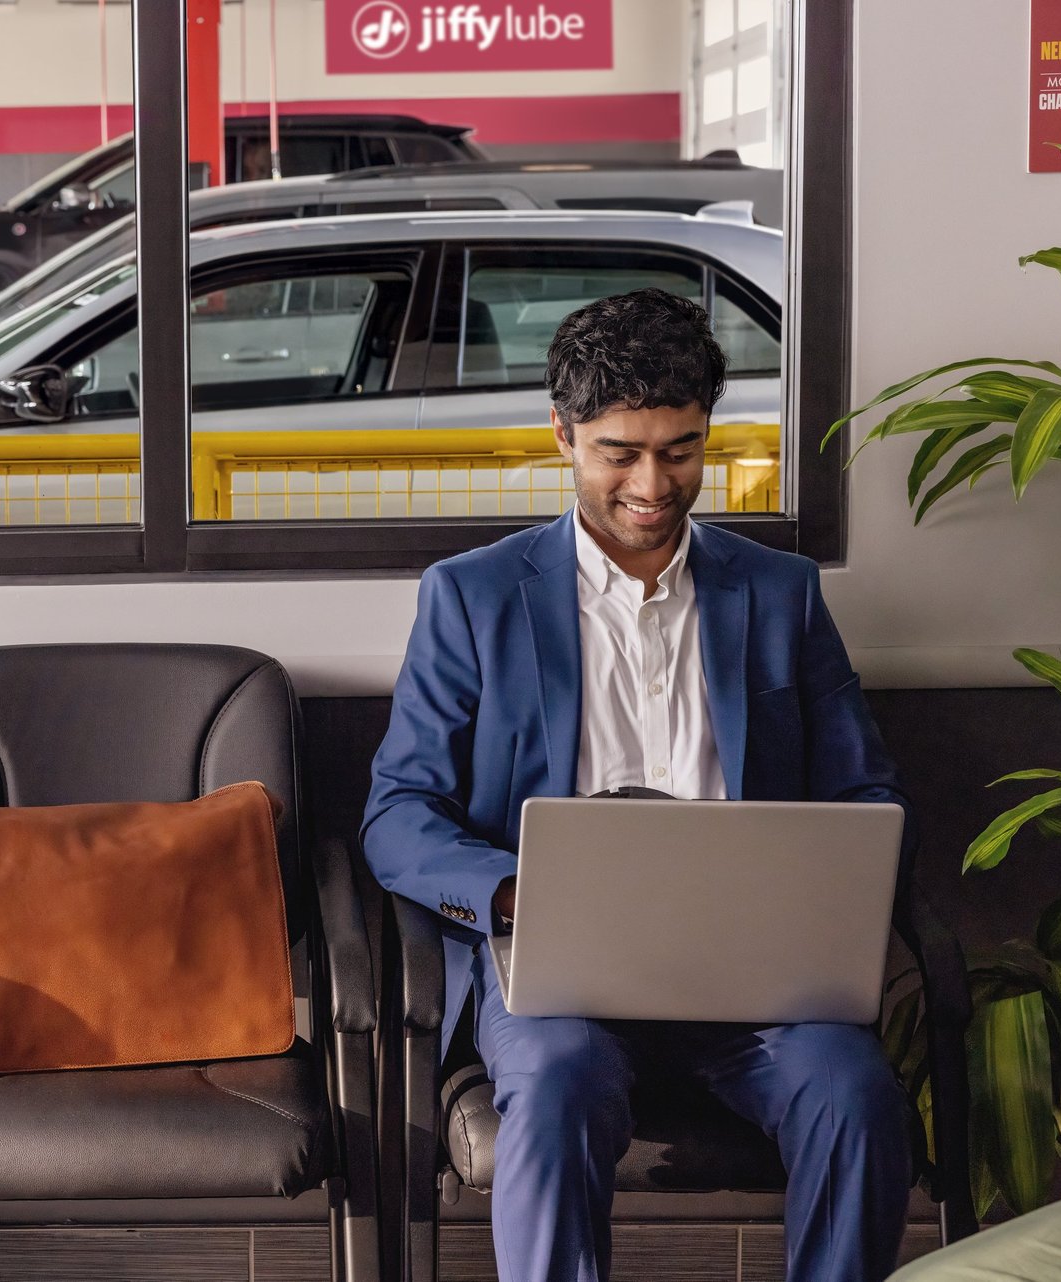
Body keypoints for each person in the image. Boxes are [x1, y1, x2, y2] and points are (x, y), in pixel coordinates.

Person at [363, 289, 914, 1282]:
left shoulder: (779, 595)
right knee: (563, 1079)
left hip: (755, 971)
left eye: (681, 449)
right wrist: (516, 890)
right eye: (620, 452)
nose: (653, 485)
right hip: (562, 969)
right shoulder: (475, 595)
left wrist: (821, 881)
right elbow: (398, 813)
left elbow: (864, 795)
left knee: (854, 1090)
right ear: (563, 434)